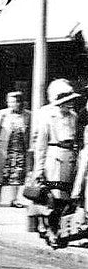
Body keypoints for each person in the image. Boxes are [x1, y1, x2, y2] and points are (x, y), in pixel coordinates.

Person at [31, 79, 82, 231]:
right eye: (67, 101)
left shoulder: (73, 116)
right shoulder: (48, 117)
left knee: (66, 196)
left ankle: (59, 228)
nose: (70, 104)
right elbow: (40, 144)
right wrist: (38, 168)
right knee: (52, 195)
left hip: (70, 157)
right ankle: (49, 227)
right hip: (53, 158)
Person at [0, 91, 31, 207]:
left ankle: (14, 199)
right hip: (4, 148)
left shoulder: (28, 115)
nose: (13, 104)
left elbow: (29, 132)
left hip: (19, 148)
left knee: (17, 174)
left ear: (21, 102)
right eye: (10, 102)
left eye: (16, 102)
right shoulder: (2, 114)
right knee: (1, 173)